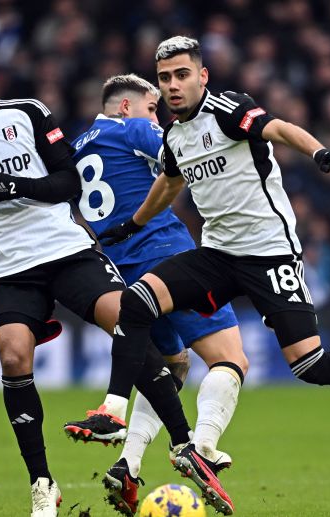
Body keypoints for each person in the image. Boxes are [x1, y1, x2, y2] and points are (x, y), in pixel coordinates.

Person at [69, 35, 330, 514]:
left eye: (182, 75)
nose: (173, 86)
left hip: (269, 254)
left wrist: (320, 152)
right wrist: (132, 224)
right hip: (217, 255)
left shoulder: (227, 110)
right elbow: (168, 182)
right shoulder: (174, 137)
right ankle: (130, 417)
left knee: (309, 365)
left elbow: (278, 128)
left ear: (202, 76)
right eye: (164, 79)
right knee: (137, 302)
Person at [0, 48, 194, 517]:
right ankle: (42, 484)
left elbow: (69, 182)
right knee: (12, 356)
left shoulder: (28, 113)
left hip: (66, 250)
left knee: (126, 318)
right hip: (10, 268)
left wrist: (16, 186)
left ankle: (183, 443)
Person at [68, 73, 248, 516]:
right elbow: (183, 153)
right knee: (232, 358)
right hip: (166, 257)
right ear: (127, 107)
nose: (158, 116)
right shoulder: (132, 127)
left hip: (120, 271)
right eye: (152, 108)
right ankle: (201, 445)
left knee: (173, 365)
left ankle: (127, 464)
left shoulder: (76, 147)